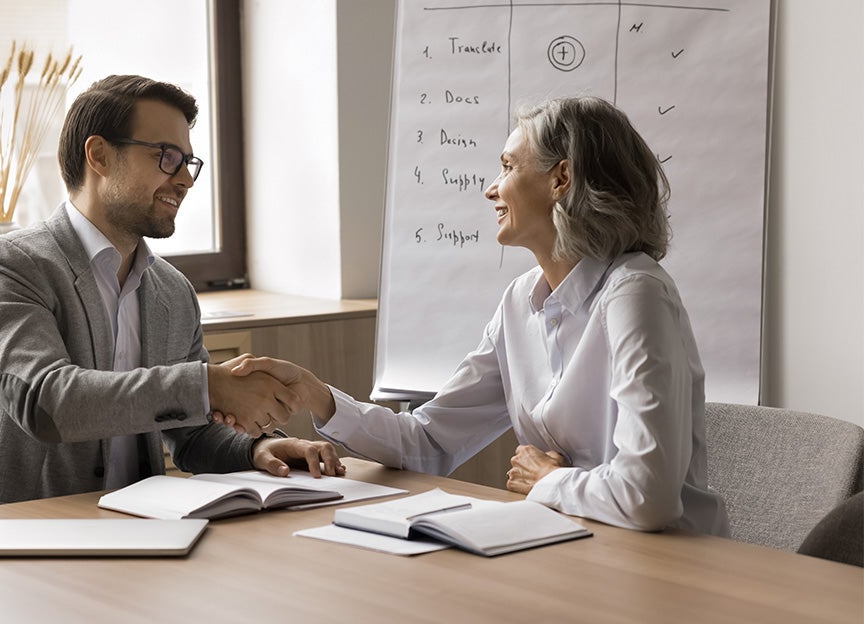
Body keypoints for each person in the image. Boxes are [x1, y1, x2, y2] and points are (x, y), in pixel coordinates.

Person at [218, 95, 729, 535]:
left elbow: (650, 498)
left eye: (508, 167)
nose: (491, 188)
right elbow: (429, 443)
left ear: (561, 179)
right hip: (571, 543)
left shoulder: (635, 293)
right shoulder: (519, 301)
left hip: (668, 565)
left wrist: (547, 480)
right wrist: (317, 395)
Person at [0, 75, 342, 511]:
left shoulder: (173, 291)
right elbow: (48, 402)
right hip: (8, 539)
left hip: (138, 532)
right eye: (167, 157)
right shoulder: (4, 267)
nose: (185, 181)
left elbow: (190, 432)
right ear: (99, 156)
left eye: (189, 162)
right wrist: (208, 386)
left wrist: (253, 450)